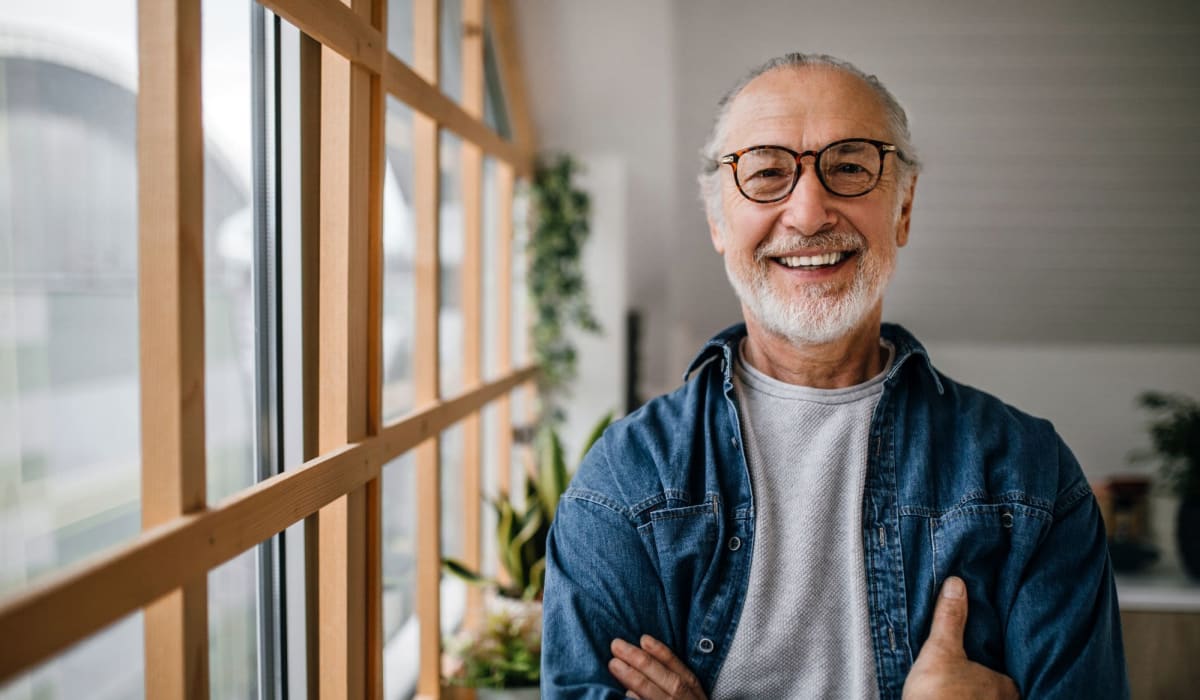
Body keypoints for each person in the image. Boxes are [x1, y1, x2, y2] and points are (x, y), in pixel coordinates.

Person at [540, 53, 1128, 699]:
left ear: (903, 209)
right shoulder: (624, 486)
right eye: (766, 173)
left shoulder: (1032, 479)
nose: (809, 211)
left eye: (849, 167)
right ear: (717, 221)